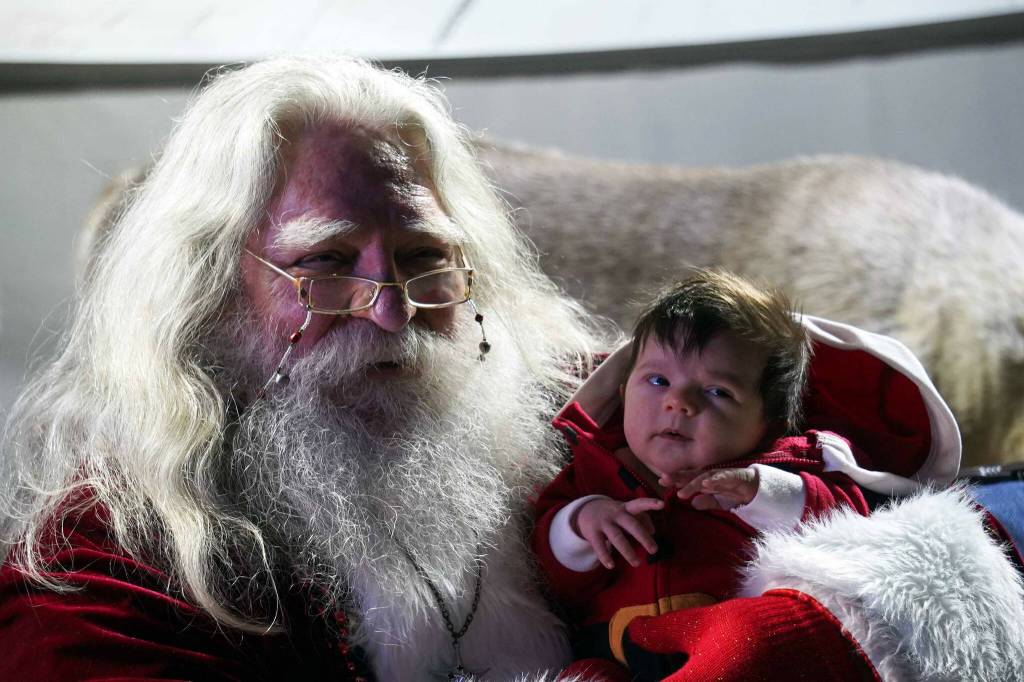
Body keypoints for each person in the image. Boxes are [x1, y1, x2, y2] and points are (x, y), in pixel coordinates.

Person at [0, 54, 1021, 681]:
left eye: (424, 259)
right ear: (211, 288)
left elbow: (871, 438)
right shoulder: (99, 567)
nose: (394, 311)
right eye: (323, 263)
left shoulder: (519, 402)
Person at [533, 271, 871, 679]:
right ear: (623, 393)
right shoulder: (592, 470)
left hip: (736, 654)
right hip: (614, 655)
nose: (678, 402)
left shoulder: (783, 466)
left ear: (770, 422)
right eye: (658, 381)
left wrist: (761, 492)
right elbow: (546, 571)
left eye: (717, 392)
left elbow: (846, 521)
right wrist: (582, 523)